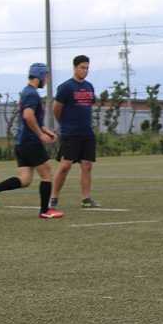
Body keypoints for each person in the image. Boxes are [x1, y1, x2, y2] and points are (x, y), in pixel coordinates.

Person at [0, 63, 64, 219]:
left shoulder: (27, 92)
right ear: (40, 76)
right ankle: (45, 211)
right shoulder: (32, 94)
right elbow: (28, 116)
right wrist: (40, 135)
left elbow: (32, 119)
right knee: (47, 173)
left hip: (22, 143)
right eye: (46, 77)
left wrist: (46, 131)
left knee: (25, 180)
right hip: (30, 142)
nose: (47, 80)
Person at [50, 55, 100, 209]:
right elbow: (56, 109)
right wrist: (64, 124)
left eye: (87, 68)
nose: (85, 70)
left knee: (87, 165)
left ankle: (86, 199)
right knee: (65, 166)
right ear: (75, 68)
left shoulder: (89, 86)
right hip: (70, 133)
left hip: (87, 132)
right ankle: (53, 198)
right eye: (82, 67)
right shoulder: (66, 87)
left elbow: (89, 106)